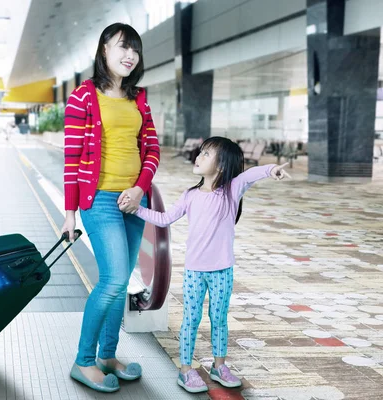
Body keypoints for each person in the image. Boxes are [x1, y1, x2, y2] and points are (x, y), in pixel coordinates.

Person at [120, 136, 291, 393]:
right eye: (200, 152)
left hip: (222, 270)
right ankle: (186, 370)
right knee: (191, 319)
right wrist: (137, 210)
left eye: (206, 154)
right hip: (194, 271)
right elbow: (165, 218)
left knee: (219, 319)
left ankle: (219, 366)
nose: (198, 157)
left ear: (222, 166)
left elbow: (250, 175)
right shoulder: (190, 195)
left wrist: (271, 169)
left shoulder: (231, 191)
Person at [61, 23, 160, 393]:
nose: (129, 55)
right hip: (99, 199)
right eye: (122, 47)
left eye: (134, 49)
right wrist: (70, 214)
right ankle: (83, 361)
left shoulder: (139, 98)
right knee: (114, 279)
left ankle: (107, 356)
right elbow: (71, 160)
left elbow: (152, 148)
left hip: (135, 201)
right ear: (104, 50)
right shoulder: (82, 97)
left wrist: (139, 188)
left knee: (120, 285)